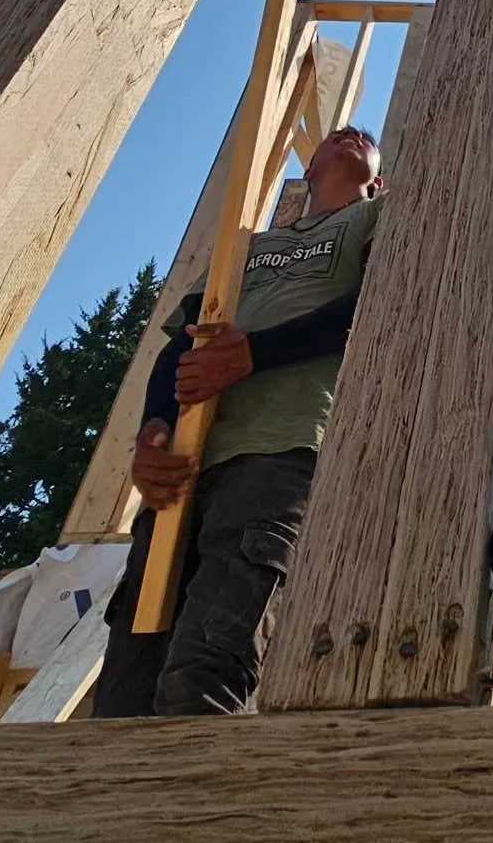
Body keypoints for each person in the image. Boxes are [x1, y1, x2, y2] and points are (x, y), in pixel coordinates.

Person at [94, 124, 384, 717]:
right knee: (129, 678)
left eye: (366, 138)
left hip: (279, 451)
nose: (353, 131)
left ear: (375, 181)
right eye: (338, 133)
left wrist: (256, 353)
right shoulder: (247, 247)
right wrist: (154, 429)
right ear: (310, 169)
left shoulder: (372, 220)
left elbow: (380, 307)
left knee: (209, 665)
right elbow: (182, 344)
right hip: (186, 463)